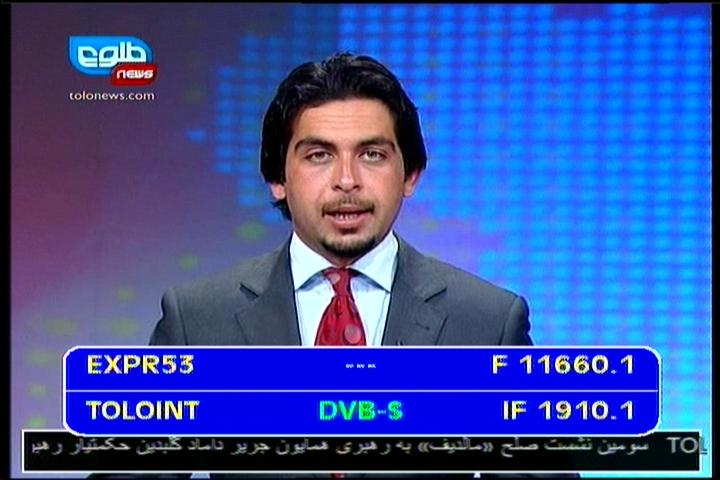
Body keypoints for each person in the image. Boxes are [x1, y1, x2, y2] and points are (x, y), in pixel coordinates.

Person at [146, 53, 573, 479]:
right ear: (278, 179)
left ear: (411, 174)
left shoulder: (487, 323)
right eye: (319, 155)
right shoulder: (198, 321)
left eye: (371, 154)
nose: (347, 180)